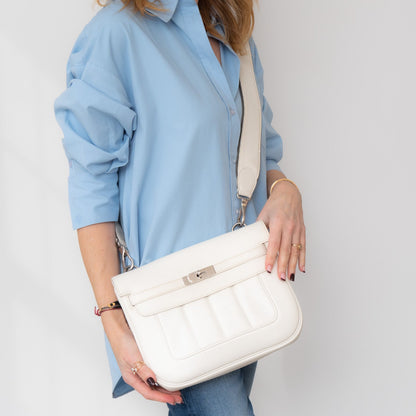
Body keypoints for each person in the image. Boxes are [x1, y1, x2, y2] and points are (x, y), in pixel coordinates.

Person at [54, 0, 306, 414]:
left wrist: (286, 190)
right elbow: (91, 183)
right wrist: (113, 320)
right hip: (174, 309)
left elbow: (261, 155)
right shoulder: (116, 34)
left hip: (246, 288)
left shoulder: (232, 34)